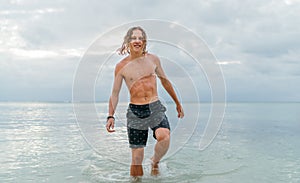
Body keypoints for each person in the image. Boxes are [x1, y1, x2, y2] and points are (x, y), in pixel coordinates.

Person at [106, 26, 184, 179]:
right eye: (133, 38)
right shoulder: (121, 66)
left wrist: (177, 102)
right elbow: (115, 93)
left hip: (154, 107)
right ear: (128, 42)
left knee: (164, 136)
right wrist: (110, 116)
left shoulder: (153, 59)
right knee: (136, 159)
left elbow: (165, 81)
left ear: (144, 42)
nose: (137, 41)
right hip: (135, 111)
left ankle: (155, 161)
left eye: (140, 38)